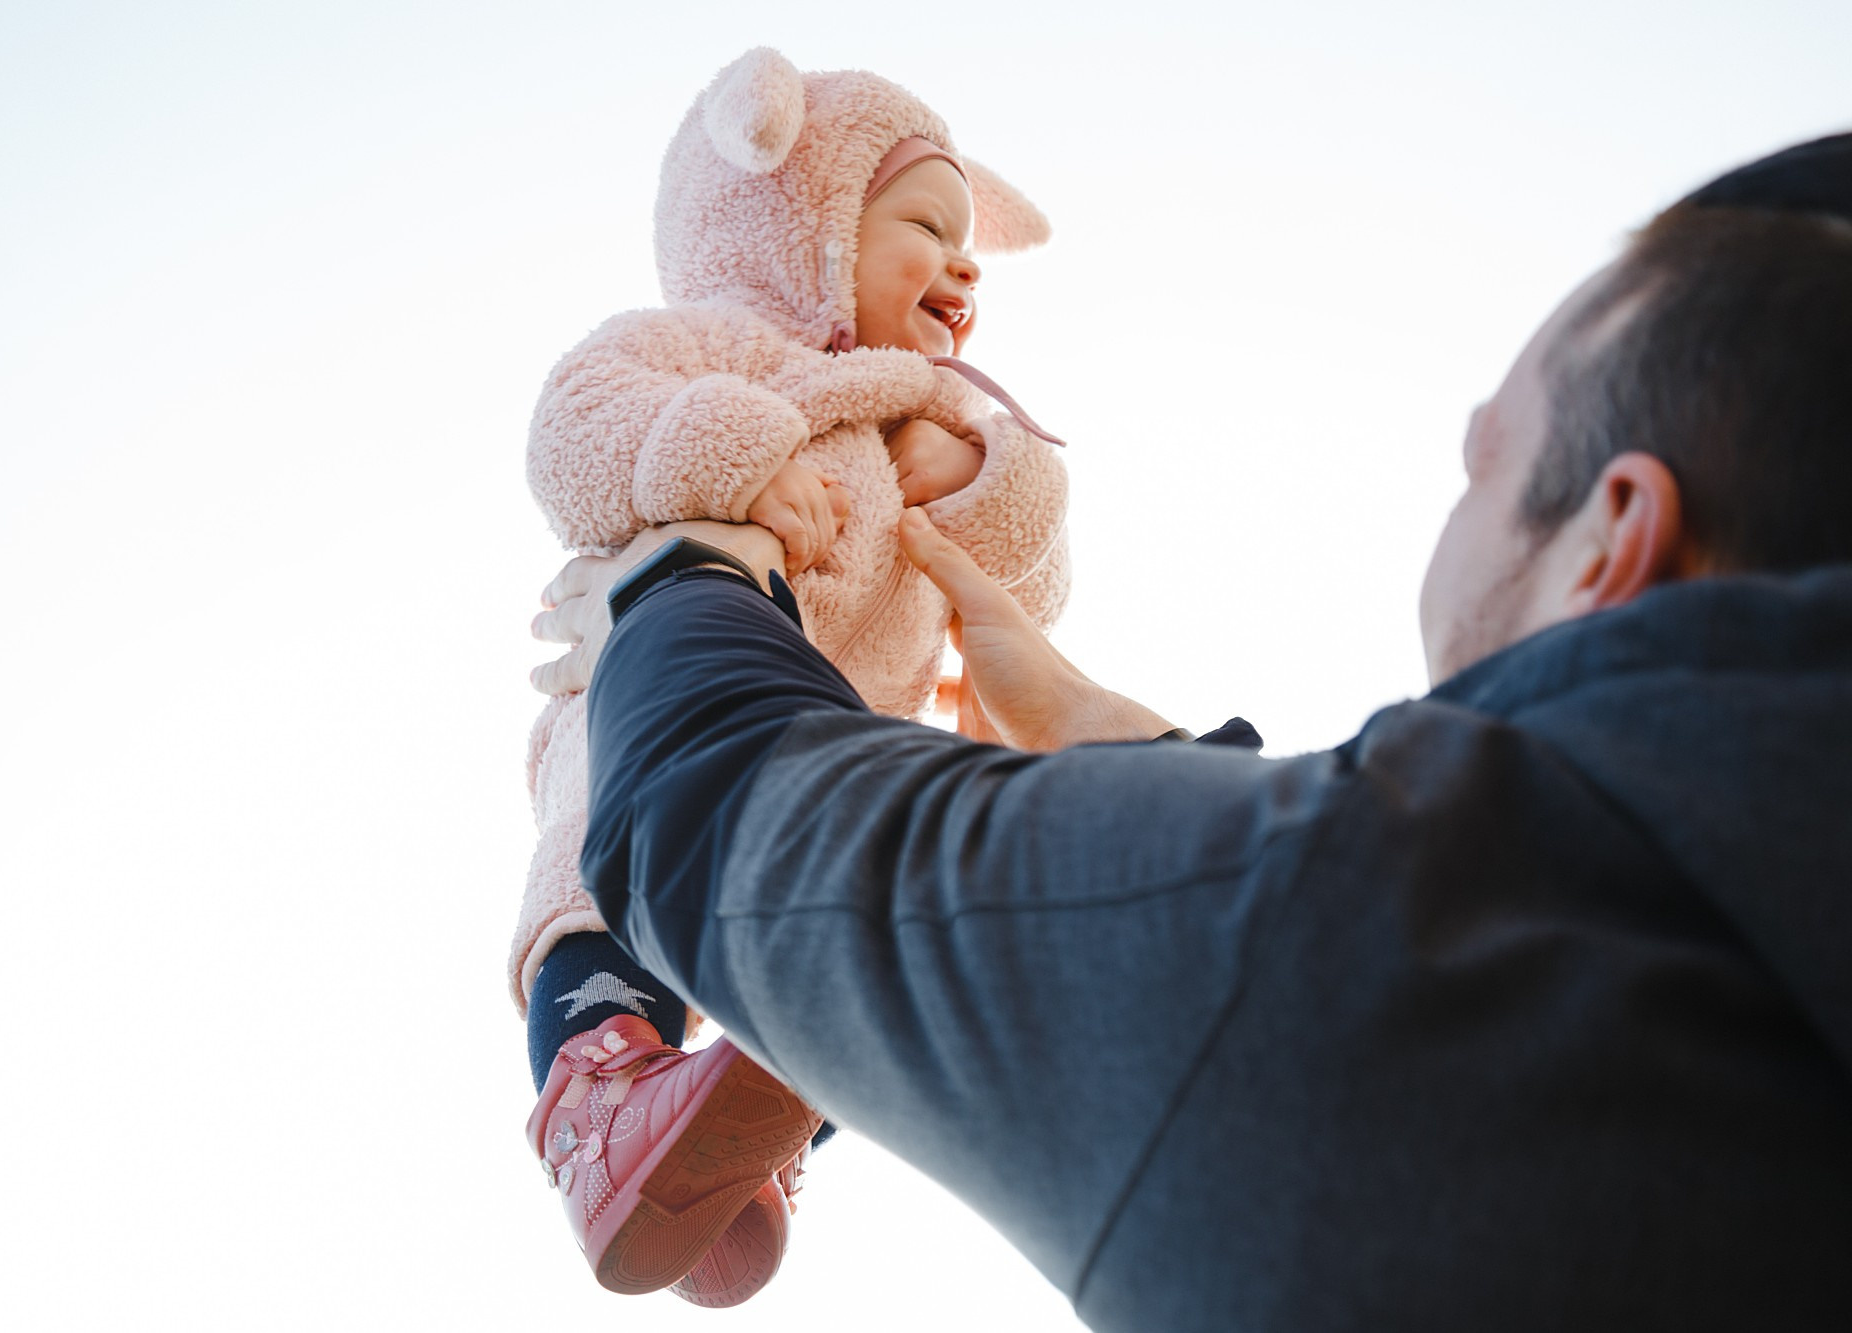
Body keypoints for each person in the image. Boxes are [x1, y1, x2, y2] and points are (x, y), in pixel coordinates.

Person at [528, 134, 1852, 1331]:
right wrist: (1094, 724)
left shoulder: (1373, 937)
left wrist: (685, 568)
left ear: (1614, 538)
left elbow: (719, 815)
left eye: (1484, 462)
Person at [513, 48, 1071, 1306]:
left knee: (861, 957)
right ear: (800, 220)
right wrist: (725, 449)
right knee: (603, 897)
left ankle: (736, 1163)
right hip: (652, 696)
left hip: (831, 745)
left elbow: (1029, 612)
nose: (967, 264)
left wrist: (992, 478)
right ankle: (603, 1105)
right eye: (927, 225)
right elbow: (573, 420)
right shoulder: (728, 348)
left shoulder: (936, 423)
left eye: (971, 240)